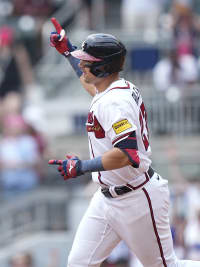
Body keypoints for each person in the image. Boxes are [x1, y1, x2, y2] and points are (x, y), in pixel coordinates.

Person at [47, 17, 200, 266]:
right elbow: (92, 88)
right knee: (78, 263)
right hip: (106, 198)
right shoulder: (111, 89)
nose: (82, 64)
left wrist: (82, 166)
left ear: (103, 68)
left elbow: (127, 153)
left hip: (137, 197)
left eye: (88, 61)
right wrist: (68, 52)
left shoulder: (115, 102)